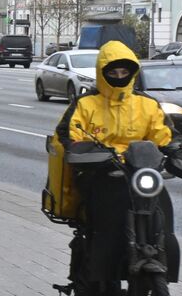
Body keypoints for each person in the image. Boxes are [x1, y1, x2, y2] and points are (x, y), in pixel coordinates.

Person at [55, 40, 175, 283]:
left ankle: (160, 247)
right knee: (110, 208)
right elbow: (69, 134)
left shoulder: (147, 104)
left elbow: (164, 134)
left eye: (124, 72)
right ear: (102, 72)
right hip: (98, 171)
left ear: (132, 72)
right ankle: (99, 272)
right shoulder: (86, 103)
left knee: (162, 200)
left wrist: (175, 148)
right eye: (113, 72)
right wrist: (85, 151)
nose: (119, 77)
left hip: (138, 171)